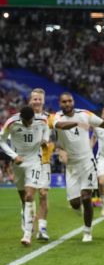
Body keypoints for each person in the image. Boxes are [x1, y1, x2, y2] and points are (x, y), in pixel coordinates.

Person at [53, 92, 104, 242]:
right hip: (71, 165)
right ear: (60, 103)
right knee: (75, 203)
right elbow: (60, 126)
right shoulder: (56, 117)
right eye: (64, 102)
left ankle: (87, 231)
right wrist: (76, 124)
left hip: (87, 162)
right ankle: (79, 210)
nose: (67, 104)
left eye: (69, 101)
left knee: (86, 197)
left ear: (73, 102)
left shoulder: (85, 114)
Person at [0, 106, 49, 245]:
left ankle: (27, 234)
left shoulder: (41, 120)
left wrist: (45, 139)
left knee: (29, 196)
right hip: (18, 163)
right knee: (23, 199)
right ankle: (27, 219)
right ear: (21, 118)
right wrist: (14, 156)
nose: (29, 123)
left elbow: (47, 129)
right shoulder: (12, 122)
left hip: (34, 161)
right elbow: (1, 140)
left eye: (30, 121)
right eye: (26, 121)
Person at [29, 88, 54, 240]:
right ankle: (27, 222)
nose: (37, 102)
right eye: (35, 99)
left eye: (40, 99)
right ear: (30, 100)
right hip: (28, 162)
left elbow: (56, 137)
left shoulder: (50, 119)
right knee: (28, 196)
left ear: (43, 101)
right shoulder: (23, 117)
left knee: (43, 194)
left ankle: (42, 229)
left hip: (44, 161)